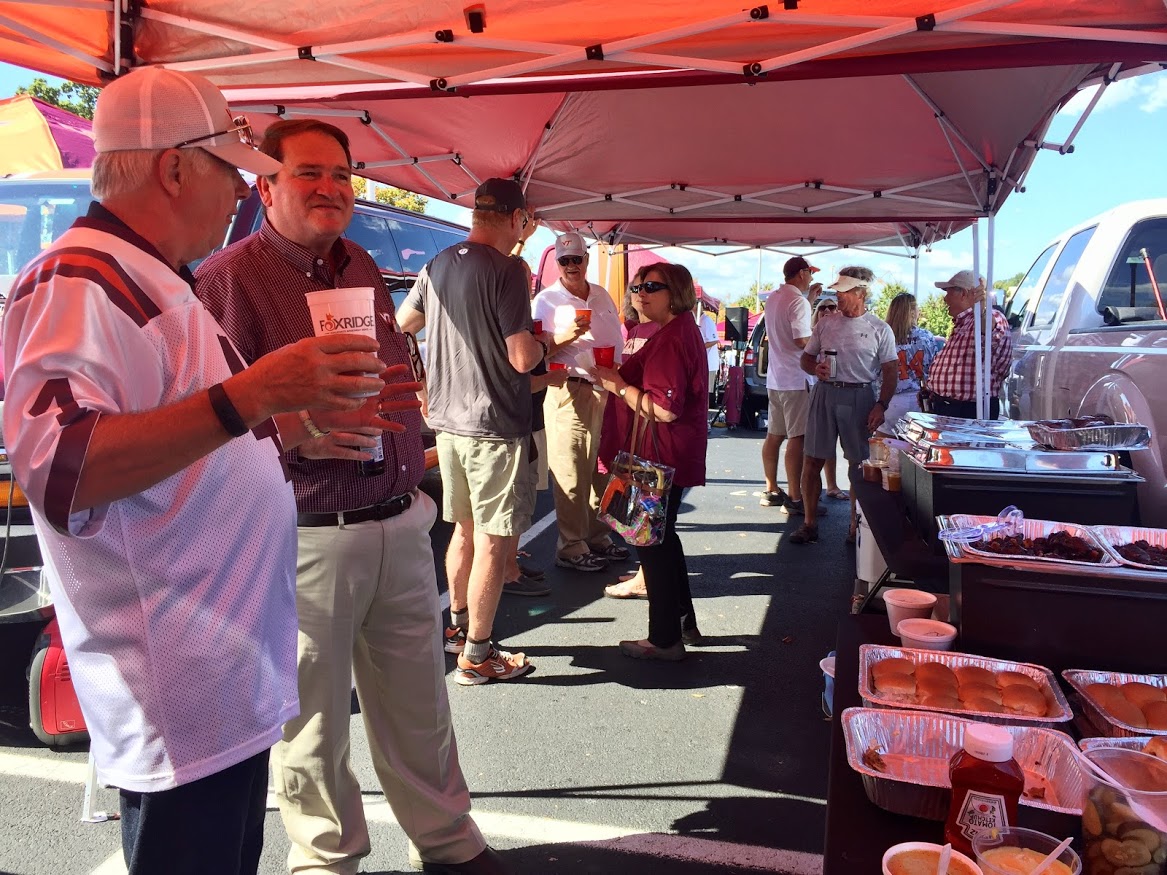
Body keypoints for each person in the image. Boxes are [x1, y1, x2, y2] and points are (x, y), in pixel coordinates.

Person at [0, 68, 420, 875]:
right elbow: (60, 467)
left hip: (217, 670)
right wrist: (255, 393)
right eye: (230, 168)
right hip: (178, 679)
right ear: (173, 168)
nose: (238, 190)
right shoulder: (79, 278)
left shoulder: (148, 274)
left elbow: (185, 440)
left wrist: (294, 424)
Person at [195, 120, 505, 875]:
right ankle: (325, 860)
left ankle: (448, 841)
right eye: (308, 173)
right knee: (312, 724)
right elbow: (199, 423)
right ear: (266, 185)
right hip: (304, 532)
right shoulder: (228, 280)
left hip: (397, 518)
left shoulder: (360, 261)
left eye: (341, 174)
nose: (330, 188)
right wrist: (295, 431)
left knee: (420, 704)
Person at [398, 178, 546, 686]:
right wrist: (547, 347)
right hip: (495, 426)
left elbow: (402, 325)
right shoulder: (509, 271)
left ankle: (459, 631)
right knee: (493, 540)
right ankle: (478, 656)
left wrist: (422, 387)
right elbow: (521, 357)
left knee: (463, 530)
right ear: (517, 219)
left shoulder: (437, 264)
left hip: (448, 424)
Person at [592, 262, 707, 661]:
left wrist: (617, 385)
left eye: (652, 287)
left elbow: (665, 409)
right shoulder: (679, 330)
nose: (640, 293)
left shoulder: (672, 337)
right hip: (668, 454)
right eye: (638, 287)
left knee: (651, 543)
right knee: (663, 539)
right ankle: (682, 624)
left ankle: (664, 640)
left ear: (675, 292)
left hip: (659, 457)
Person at [532, 231, 629, 573]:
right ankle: (571, 546)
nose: (571, 265)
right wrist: (566, 336)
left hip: (605, 389)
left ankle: (598, 536)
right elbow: (536, 354)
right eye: (564, 260)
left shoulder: (601, 294)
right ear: (557, 263)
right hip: (568, 389)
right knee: (571, 470)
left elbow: (616, 336)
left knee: (601, 468)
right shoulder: (546, 301)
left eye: (577, 259)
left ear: (587, 260)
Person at [793, 266, 897, 544]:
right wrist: (815, 368)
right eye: (837, 290)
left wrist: (881, 405)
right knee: (812, 459)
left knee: (858, 465)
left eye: (844, 291)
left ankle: (855, 525)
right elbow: (806, 358)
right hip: (825, 393)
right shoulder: (825, 323)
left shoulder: (879, 328)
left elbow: (891, 370)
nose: (837, 295)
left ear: (861, 293)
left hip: (860, 395)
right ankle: (809, 523)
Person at [759, 256, 817, 514]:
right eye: (811, 273)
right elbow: (802, 339)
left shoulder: (774, 297)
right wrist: (822, 343)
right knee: (797, 437)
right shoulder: (797, 301)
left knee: (774, 435)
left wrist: (809, 301)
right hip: (796, 378)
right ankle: (795, 497)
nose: (812, 278)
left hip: (776, 378)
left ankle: (770, 489)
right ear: (802, 273)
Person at [922, 270, 1013, 420]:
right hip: (950, 408)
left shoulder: (991, 317)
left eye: (948, 292)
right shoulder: (963, 323)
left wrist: (982, 311)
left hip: (969, 411)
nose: (945, 299)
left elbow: (988, 337)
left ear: (964, 294)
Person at [882, 292, 945, 428]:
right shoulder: (926, 336)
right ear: (912, 312)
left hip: (891, 399)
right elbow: (934, 368)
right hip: (920, 399)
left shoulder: (885, 336)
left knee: (886, 440)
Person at [811, 294, 849, 506]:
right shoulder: (811, 334)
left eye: (831, 307)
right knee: (813, 447)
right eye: (822, 307)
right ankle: (809, 493)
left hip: (837, 391)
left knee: (831, 443)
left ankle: (832, 485)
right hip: (811, 389)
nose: (826, 310)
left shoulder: (842, 333)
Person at [697, 303, 719, 407]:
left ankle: (705, 413)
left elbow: (714, 340)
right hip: (701, 363)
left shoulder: (707, 321)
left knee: (705, 391)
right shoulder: (698, 321)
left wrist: (698, 348)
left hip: (709, 363)